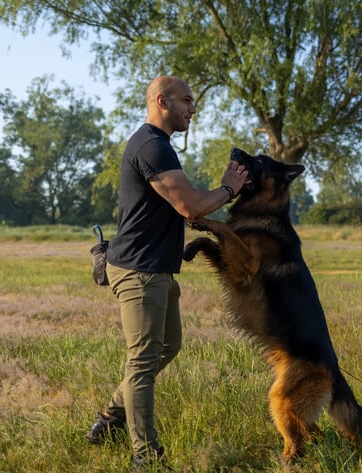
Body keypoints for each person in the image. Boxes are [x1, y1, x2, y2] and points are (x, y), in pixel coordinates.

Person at [85, 75, 248, 472]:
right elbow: (190, 206)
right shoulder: (152, 147)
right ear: (163, 101)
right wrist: (228, 190)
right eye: (187, 101)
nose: (193, 109)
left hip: (156, 270)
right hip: (139, 272)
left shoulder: (159, 147)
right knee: (141, 363)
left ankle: (110, 417)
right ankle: (145, 456)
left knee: (168, 346)